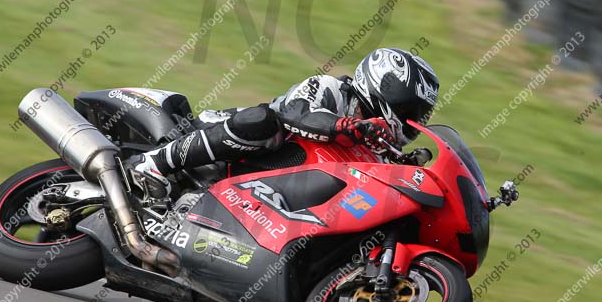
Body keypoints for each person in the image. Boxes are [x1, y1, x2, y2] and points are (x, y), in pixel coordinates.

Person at [126, 47, 440, 199]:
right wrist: (345, 127)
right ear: (383, 89)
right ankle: (153, 164)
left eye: (419, 114)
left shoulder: (376, 145)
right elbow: (296, 115)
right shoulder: (329, 89)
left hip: (270, 199)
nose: (411, 119)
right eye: (408, 107)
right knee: (268, 123)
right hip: (228, 151)